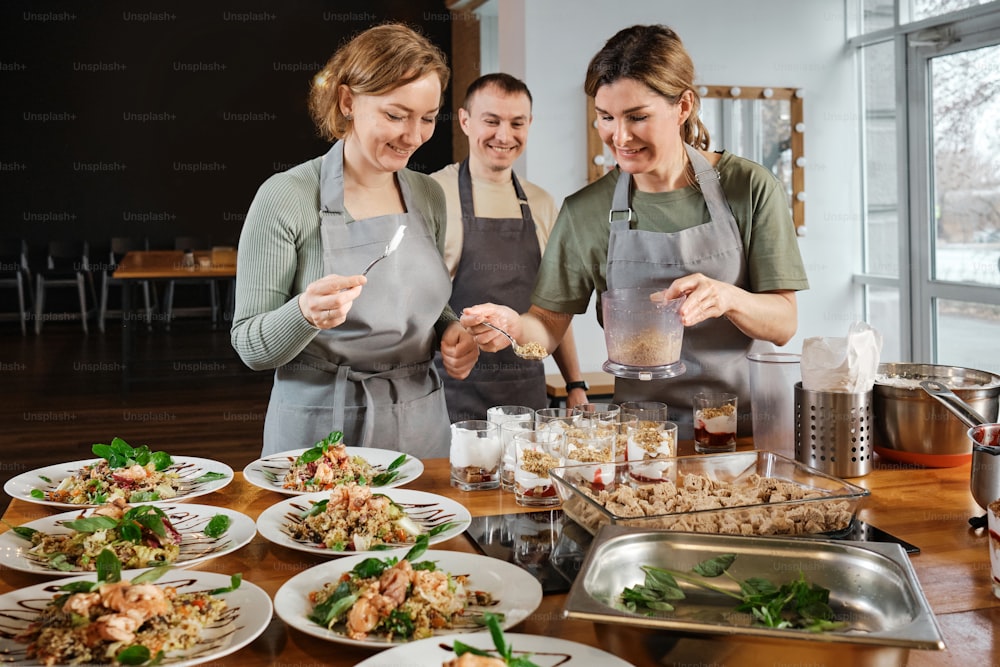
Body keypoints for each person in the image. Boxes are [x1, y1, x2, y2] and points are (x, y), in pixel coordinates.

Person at [462, 25, 809, 438]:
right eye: (605, 117)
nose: (619, 137)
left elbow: (784, 323)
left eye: (637, 117)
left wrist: (726, 297)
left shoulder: (748, 187)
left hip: (749, 431)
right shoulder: (585, 211)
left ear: (683, 106)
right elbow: (546, 329)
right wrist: (513, 329)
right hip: (642, 439)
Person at [231, 23, 478, 459]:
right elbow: (250, 344)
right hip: (320, 434)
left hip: (421, 427)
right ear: (348, 101)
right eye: (396, 115)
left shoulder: (428, 195)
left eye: (426, 118)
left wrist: (451, 329)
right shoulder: (286, 196)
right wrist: (304, 314)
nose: (414, 136)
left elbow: (424, 300)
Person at [430, 73, 589, 422]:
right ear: (465, 121)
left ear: (529, 125)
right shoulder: (432, 195)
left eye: (517, 123)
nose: (504, 135)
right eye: (492, 121)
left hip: (525, 397)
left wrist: (575, 383)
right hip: (449, 394)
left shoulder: (543, 204)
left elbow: (555, 310)